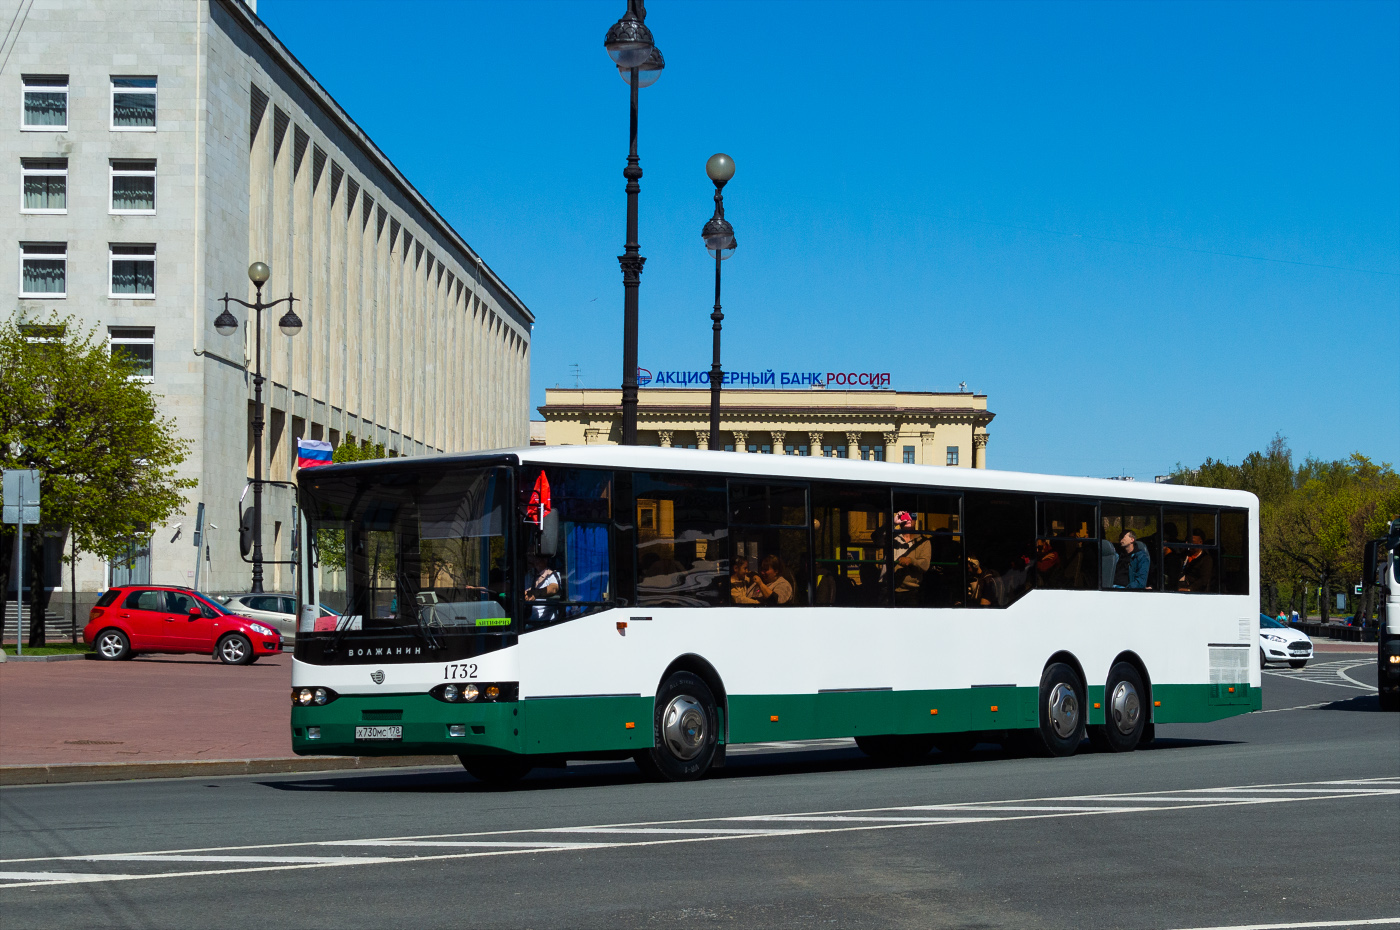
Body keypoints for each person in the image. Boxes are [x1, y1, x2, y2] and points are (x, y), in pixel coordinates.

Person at [892, 511, 931, 603]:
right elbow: (876, 537)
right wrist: (893, 524)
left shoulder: (924, 541)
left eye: (912, 515)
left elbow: (925, 564)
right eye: (905, 516)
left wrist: (911, 561)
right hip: (889, 589)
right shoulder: (891, 538)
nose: (909, 518)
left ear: (916, 520)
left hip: (912, 593)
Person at [524, 553, 560, 623]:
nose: (531, 559)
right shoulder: (529, 575)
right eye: (529, 556)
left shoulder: (552, 575)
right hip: (527, 622)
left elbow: (554, 588)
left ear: (545, 559)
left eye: (534, 557)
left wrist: (536, 593)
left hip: (545, 624)